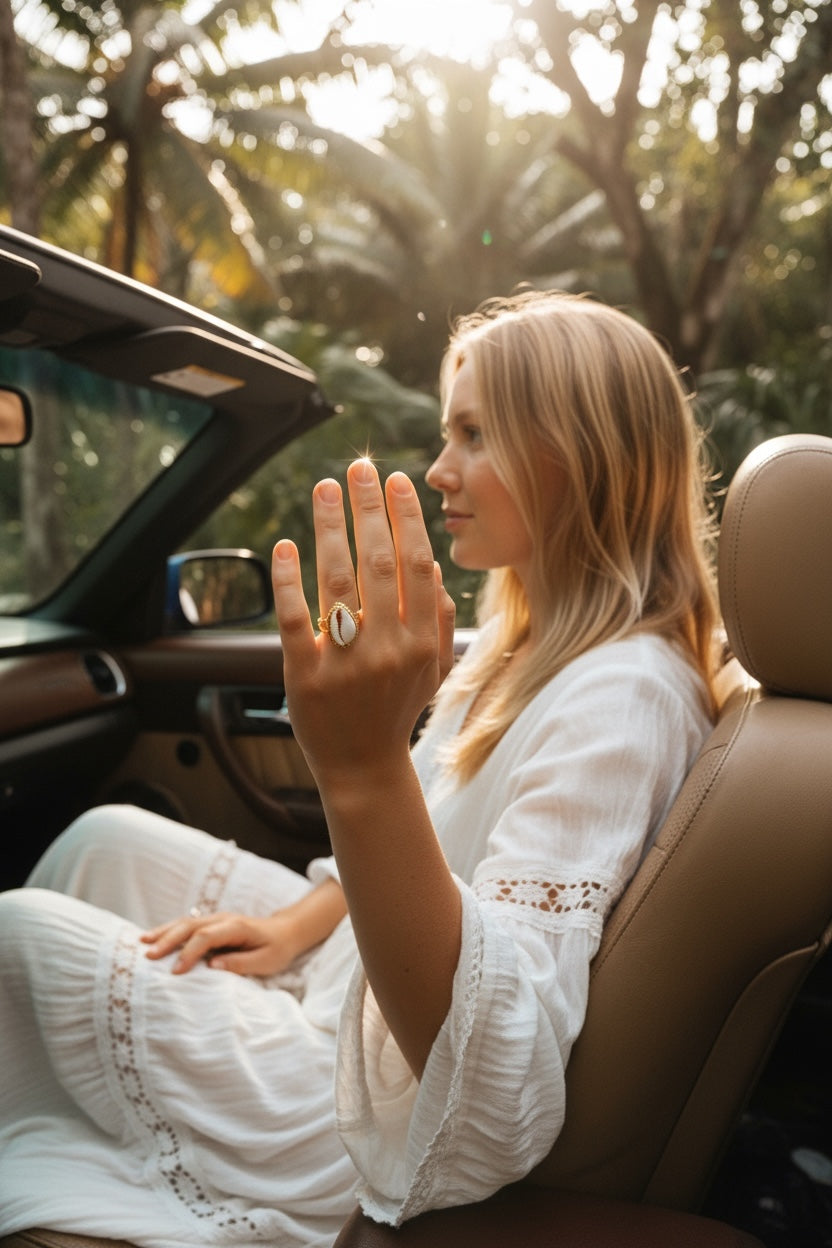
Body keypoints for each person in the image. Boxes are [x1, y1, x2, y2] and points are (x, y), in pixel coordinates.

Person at [0, 291, 721, 1246]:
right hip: (356, 981)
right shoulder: (523, 642)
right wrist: (294, 928)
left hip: (360, 1097)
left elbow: (497, 1078)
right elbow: (424, 830)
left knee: (14, 936)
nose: (439, 470)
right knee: (100, 841)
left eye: (473, 435)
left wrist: (360, 767)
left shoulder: (625, 696)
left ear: (573, 453)